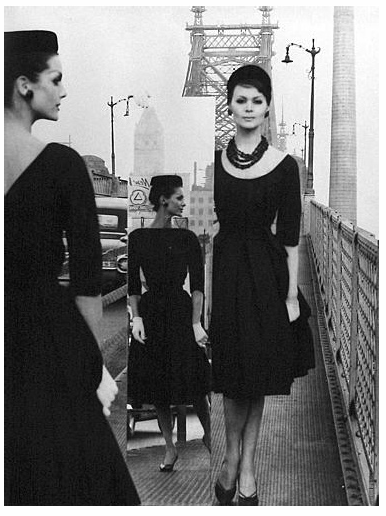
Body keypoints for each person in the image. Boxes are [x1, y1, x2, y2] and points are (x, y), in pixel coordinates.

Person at [4, 30, 140, 505]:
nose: (64, 91)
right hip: (45, 341)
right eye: (56, 79)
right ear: (25, 85)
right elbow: (87, 281)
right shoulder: (61, 165)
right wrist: (93, 367)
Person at [210, 64, 314, 506]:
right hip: (229, 273)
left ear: (268, 107)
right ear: (230, 105)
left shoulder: (284, 166)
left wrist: (291, 294)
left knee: (255, 375)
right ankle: (231, 456)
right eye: (240, 100)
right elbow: (217, 230)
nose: (248, 108)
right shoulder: (218, 159)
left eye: (257, 100)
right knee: (235, 376)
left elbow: (290, 238)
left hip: (268, 278)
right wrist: (209, 300)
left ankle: (246, 465)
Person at [128, 175, 211, 470]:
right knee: (158, 385)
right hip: (151, 314)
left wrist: (195, 323)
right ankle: (169, 447)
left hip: (179, 310)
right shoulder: (138, 238)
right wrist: (136, 317)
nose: (183, 203)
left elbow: (198, 286)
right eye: (179, 198)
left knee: (196, 380)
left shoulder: (187, 238)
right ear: (164, 200)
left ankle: (210, 437)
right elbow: (133, 286)